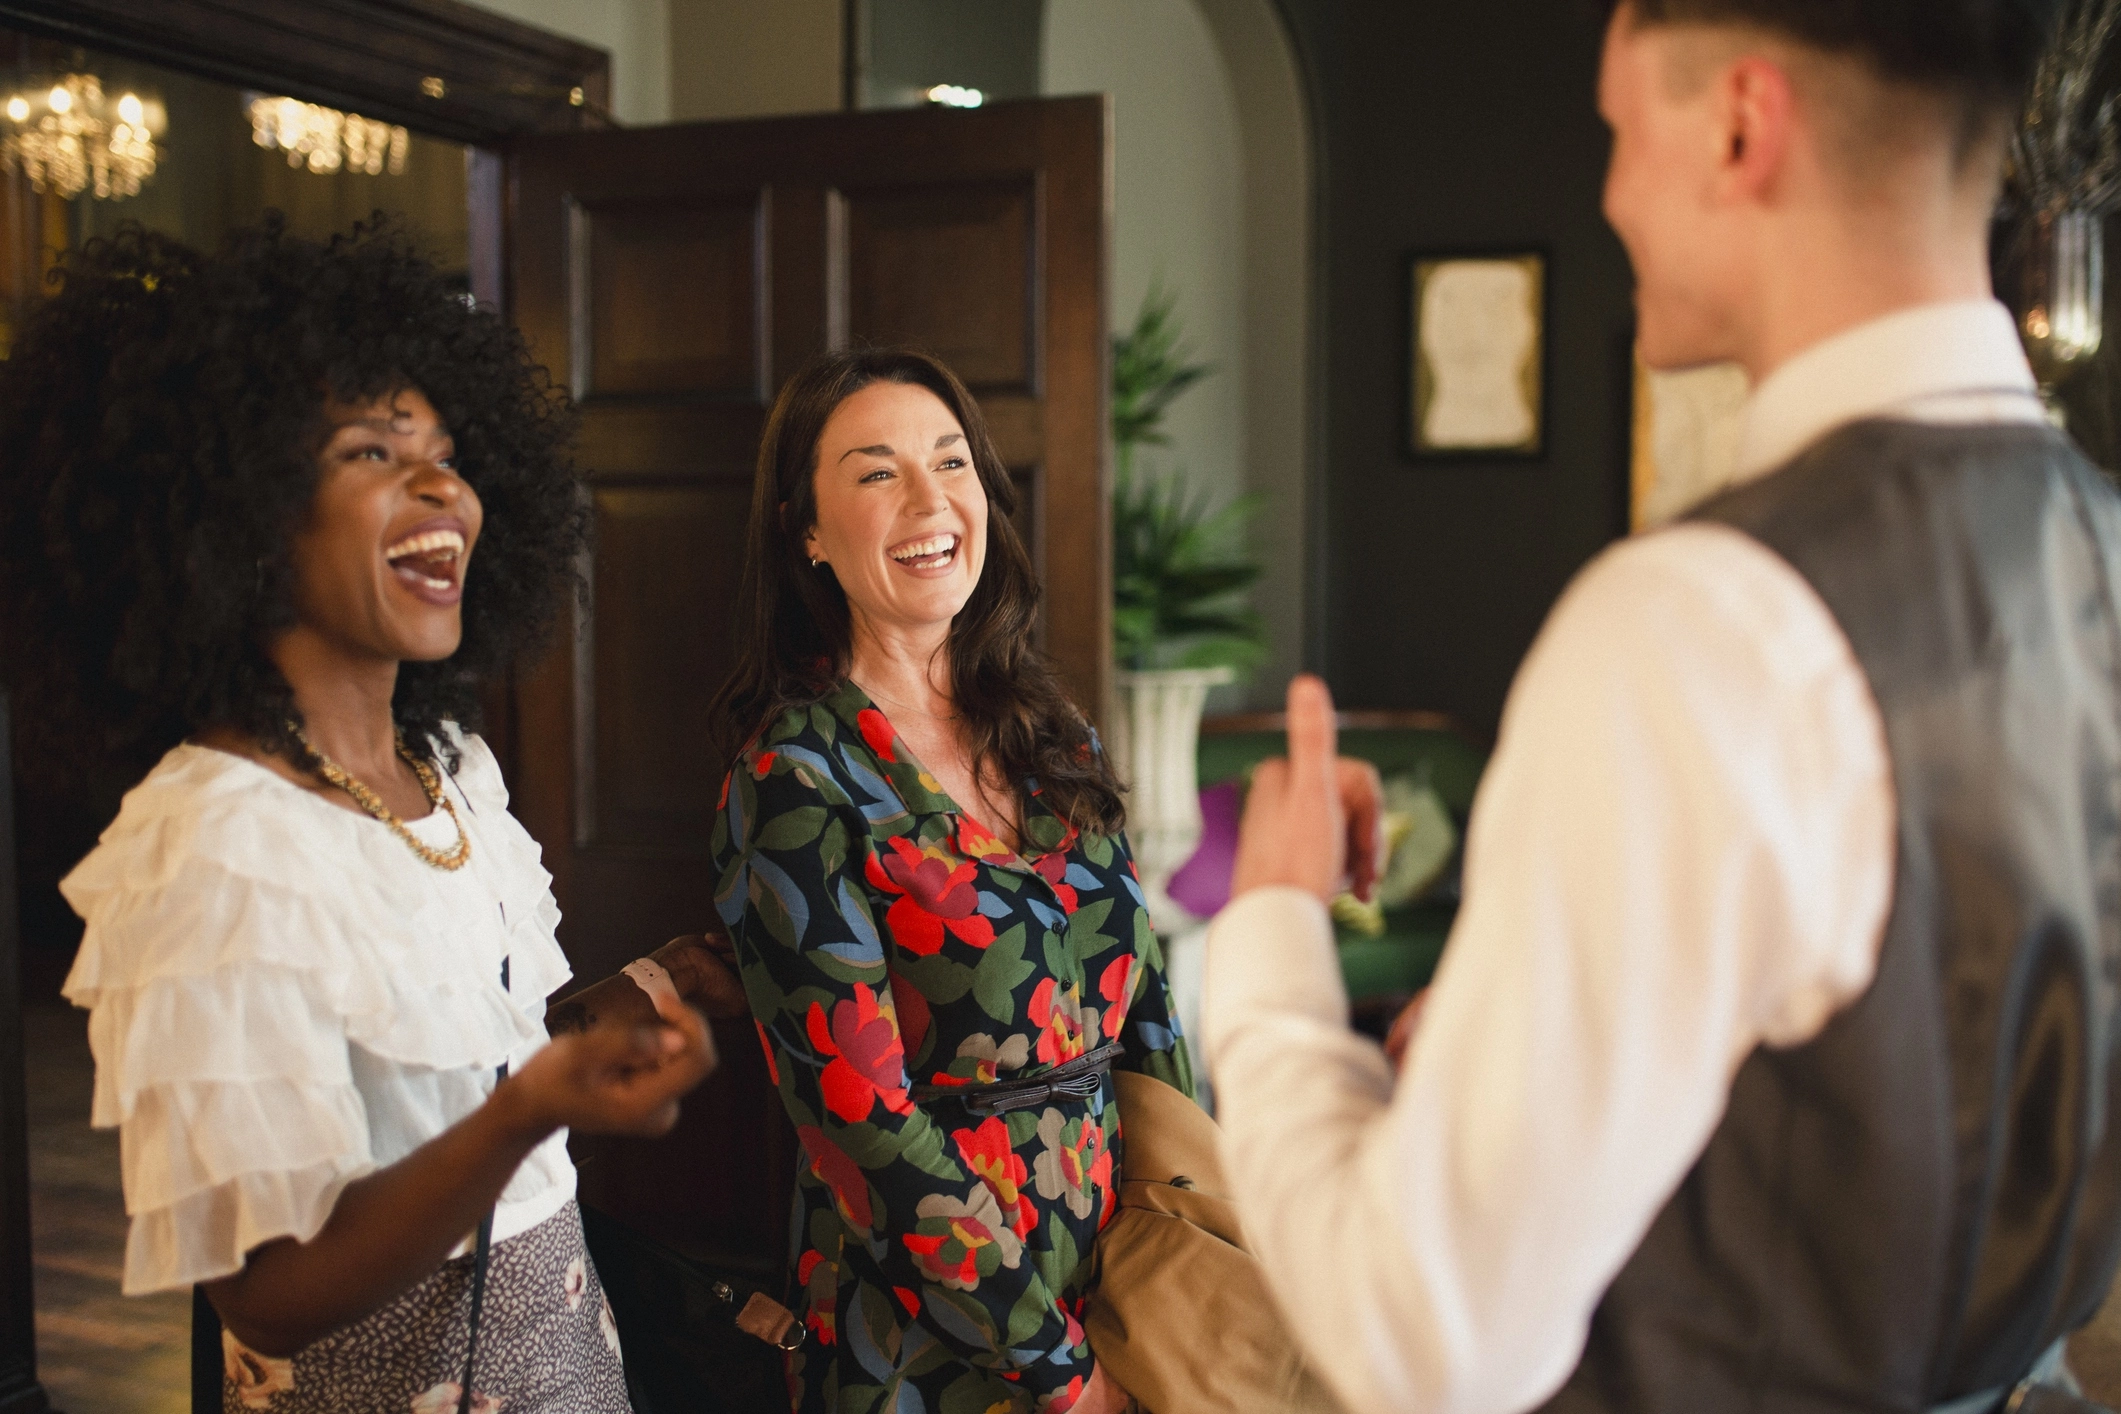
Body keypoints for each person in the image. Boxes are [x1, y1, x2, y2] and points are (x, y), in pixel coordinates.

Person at [1204, 2, 2121, 1412]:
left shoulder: (1704, 622)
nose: (1610, 192)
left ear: (1740, 126)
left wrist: (1270, 947)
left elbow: (1425, 1334)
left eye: (1618, 134)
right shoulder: (2100, 540)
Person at [0, 219, 716, 1413]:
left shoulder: (450, 770)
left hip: (565, 1356)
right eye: (374, 452)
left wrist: (625, 1004)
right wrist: (527, 1110)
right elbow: (268, 1293)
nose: (442, 484)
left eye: (446, 451)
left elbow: (448, 1054)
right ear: (243, 512)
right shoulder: (219, 840)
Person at [705, 348, 1192, 1414]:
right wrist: (1060, 1375)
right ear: (809, 533)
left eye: (951, 461)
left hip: (1124, 1288)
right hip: (925, 1341)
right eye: (878, 472)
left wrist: (1191, 1240)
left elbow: (1148, 1013)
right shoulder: (794, 778)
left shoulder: (1051, 735)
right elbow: (862, 1126)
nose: (931, 499)